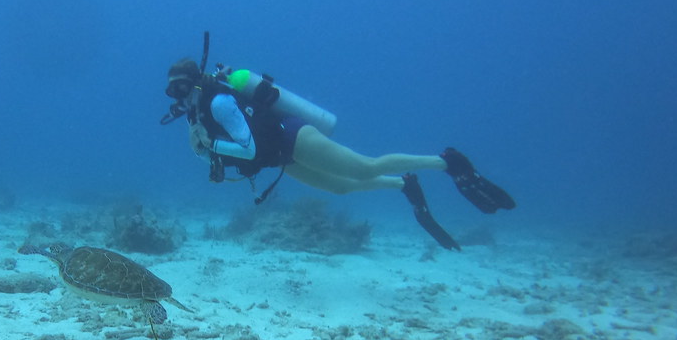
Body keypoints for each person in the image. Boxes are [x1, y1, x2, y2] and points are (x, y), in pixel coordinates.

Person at [162, 56, 516, 250]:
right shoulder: (197, 115)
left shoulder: (220, 101)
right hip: (280, 157)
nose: (178, 96)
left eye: (181, 87)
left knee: (364, 168)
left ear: (194, 82)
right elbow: (223, 157)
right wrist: (204, 151)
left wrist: (209, 145)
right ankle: (403, 185)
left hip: (293, 137)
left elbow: (247, 147)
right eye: (172, 91)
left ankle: (447, 162)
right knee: (341, 188)